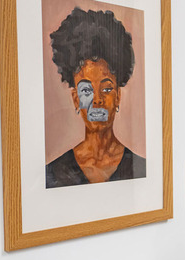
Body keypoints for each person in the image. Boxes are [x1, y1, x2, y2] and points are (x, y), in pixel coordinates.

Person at [45, 8, 145, 188]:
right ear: (76, 99)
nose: (97, 100)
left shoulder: (141, 169)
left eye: (106, 89)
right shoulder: (53, 172)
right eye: (86, 91)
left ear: (118, 96)